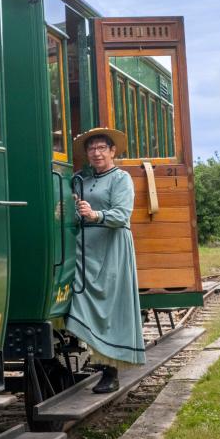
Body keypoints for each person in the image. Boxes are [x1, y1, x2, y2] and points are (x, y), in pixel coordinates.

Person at [67, 127, 145, 394]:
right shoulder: (81, 181)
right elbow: (74, 213)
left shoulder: (121, 179)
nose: (97, 153)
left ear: (112, 151)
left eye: (102, 148)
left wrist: (94, 214)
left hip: (111, 247)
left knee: (108, 306)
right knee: (79, 298)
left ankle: (109, 372)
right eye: (92, 149)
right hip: (84, 249)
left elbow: (122, 216)